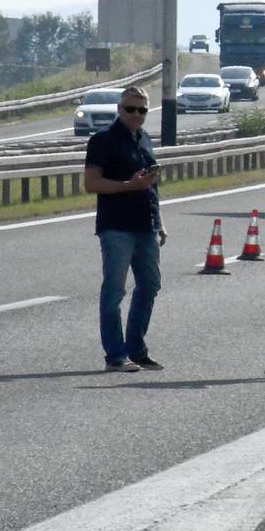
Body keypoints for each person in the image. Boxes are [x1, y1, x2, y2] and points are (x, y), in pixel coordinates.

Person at [82, 86, 167, 371]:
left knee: (150, 285)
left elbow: (152, 185)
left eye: (142, 110)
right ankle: (115, 355)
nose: (136, 115)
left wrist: (160, 222)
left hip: (147, 224)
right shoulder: (102, 140)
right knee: (114, 290)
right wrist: (127, 186)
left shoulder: (145, 139)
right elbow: (91, 183)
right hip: (117, 226)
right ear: (119, 109)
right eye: (130, 109)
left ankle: (136, 349)